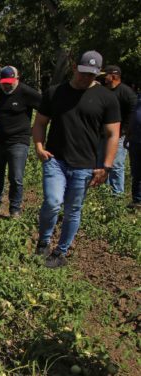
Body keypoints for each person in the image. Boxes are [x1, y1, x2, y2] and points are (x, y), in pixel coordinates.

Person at [32, 51, 120, 268]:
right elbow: (40, 122)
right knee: (52, 202)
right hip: (56, 160)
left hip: (84, 164)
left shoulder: (107, 98)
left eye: (91, 75)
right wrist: (39, 147)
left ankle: (60, 253)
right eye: (82, 73)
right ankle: (43, 242)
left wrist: (106, 166)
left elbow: (112, 134)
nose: (85, 78)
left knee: (73, 209)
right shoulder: (55, 93)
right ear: (74, 68)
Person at [0, 66, 41, 217]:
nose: (7, 85)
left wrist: (36, 128)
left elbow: (45, 109)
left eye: (10, 82)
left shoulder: (27, 93)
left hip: (19, 141)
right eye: (4, 82)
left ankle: (15, 209)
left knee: (16, 177)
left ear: (17, 79)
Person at [102, 65, 137, 194]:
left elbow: (134, 112)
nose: (104, 78)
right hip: (103, 134)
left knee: (116, 165)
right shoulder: (104, 91)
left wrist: (126, 131)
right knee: (103, 164)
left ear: (114, 76)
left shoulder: (126, 93)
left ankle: (117, 196)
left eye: (106, 75)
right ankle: (104, 194)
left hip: (120, 135)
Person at [126, 93, 141, 209]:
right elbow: (134, 117)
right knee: (136, 171)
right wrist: (128, 134)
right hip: (135, 140)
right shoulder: (138, 98)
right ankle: (137, 200)